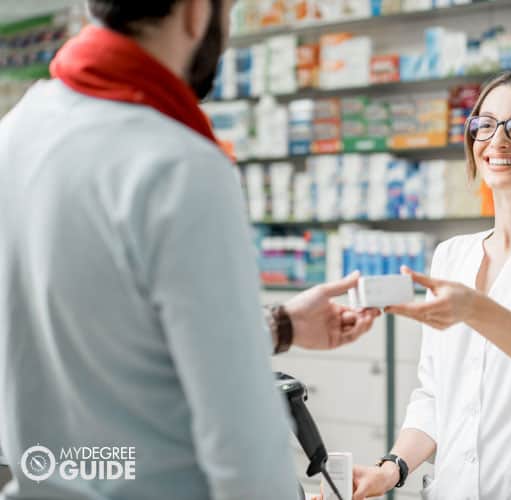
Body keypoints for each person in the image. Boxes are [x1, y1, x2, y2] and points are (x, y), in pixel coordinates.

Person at [0, 1, 379, 499]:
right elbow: (243, 443)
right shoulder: (180, 165)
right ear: (198, 12)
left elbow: (101, 334)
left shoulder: (18, 130)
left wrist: (280, 325)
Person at [348, 72, 511, 500]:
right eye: (485, 124)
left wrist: (474, 309)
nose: (497, 140)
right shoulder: (452, 255)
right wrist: (390, 469)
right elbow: (435, 394)